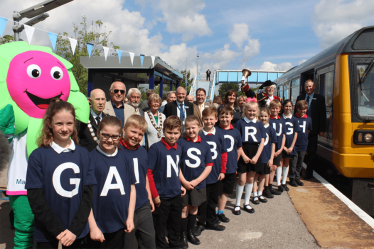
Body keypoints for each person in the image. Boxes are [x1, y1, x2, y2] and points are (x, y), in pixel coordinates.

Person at [26, 99, 96, 248]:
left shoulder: (84, 154)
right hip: (47, 232)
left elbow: (88, 195)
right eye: (59, 124)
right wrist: (57, 230)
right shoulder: (38, 156)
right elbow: (35, 198)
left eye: (69, 123)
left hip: (77, 232)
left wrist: (73, 230)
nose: (65, 129)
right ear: (49, 123)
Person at [86, 116, 136, 248]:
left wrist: (130, 217)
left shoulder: (125, 158)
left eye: (114, 136)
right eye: (105, 135)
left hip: (119, 224)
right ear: (98, 133)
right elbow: (85, 196)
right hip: (98, 226)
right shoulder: (90, 159)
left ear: (121, 135)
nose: (110, 140)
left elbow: (132, 189)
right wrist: (93, 226)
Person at [147, 116, 186, 249]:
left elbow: (176, 168)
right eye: (169, 132)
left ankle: (175, 244)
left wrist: (180, 184)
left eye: (176, 133)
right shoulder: (155, 148)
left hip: (175, 193)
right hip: (161, 195)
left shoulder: (179, 148)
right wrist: (154, 195)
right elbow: (148, 172)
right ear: (163, 131)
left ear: (180, 132)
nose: (172, 136)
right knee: (160, 226)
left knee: (175, 223)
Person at [120, 115, 156, 249]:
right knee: (129, 243)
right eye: (133, 132)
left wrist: (149, 196)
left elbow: (144, 174)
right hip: (125, 206)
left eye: (140, 134)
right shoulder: (116, 150)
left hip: (142, 203)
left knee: (149, 240)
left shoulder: (142, 151)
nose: (136, 136)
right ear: (124, 129)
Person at [178, 115, 213, 248]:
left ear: (199, 127)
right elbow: (176, 165)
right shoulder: (181, 143)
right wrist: (184, 182)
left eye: (193, 128)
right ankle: (183, 235)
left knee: (194, 207)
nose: (191, 131)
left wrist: (197, 181)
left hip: (199, 183)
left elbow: (209, 165)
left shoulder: (204, 144)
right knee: (184, 208)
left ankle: (190, 231)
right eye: (188, 128)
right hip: (183, 183)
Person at [195, 107, 228, 235]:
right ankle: (201, 223)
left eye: (211, 119)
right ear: (202, 120)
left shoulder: (220, 134)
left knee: (213, 199)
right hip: (203, 173)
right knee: (203, 200)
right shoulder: (199, 135)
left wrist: (223, 170)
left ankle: (212, 221)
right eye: (206, 119)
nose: (209, 121)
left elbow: (224, 153)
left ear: (216, 119)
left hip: (215, 172)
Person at [233, 99, 265, 215]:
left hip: (255, 152)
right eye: (249, 110)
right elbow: (237, 141)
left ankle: (246, 203)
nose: (251, 113)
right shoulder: (240, 123)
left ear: (257, 111)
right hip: (243, 151)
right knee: (241, 180)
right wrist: (243, 156)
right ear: (245, 110)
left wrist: (256, 156)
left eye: (254, 111)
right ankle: (237, 203)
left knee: (251, 179)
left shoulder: (259, 123)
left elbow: (262, 141)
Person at [295, 79, 326, 179]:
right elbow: (296, 112)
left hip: (313, 130)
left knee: (312, 152)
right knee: (299, 152)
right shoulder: (300, 97)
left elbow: (322, 114)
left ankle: (309, 173)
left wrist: (322, 129)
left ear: (314, 87)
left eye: (310, 86)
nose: (308, 88)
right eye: (307, 86)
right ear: (304, 87)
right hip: (300, 130)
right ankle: (297, 173)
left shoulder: (320, 98)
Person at [216, 106, 242, 223]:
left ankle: (220, 212)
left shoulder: (236, 132)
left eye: (227, 116)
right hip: (217, 167)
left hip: (230, 166)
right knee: (216, 191)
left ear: (232, 117)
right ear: (218, 118)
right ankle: (212, 212)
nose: (224, 119)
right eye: (222, 116)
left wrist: (235, 162)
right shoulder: (215, 130)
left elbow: (239, 148)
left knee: (225, 191)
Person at [255, 107, 277, 203]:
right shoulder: (256, 128)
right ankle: (255, 194)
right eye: (261, 116)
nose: (263, 118)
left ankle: (260, 192)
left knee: (263, 176)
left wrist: (271, 158)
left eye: (265, 116)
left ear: (269, 117)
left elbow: (273, 144)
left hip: (266, 156)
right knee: (255, 176)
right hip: (257, 156)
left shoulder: (271, 129)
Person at [289, 100, 312, 187]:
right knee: (293, 163)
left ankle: (297, 177)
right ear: (297, 109)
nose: (303, 111)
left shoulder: (309, 119)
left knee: (300, 162)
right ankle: (292, 178)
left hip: (303, 144)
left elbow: (308, 130)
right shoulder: (293, 118)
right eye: (301, 109)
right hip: (294, 144)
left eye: (304, 109)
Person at [279, 100, 300, 192]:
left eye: (290, 106)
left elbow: (296, 134)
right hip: (281, 145)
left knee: (286, 163)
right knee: (280, 163)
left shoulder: (294, 119)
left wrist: (291, 147)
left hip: (290, 145)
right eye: (286, 106)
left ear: (292, 107)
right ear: (283, 107)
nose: (288, 108)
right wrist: (283, 147)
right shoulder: (279, 118)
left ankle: (284, 182)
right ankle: (279, 183)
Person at [268, 100, 285, 196]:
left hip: (278, 148)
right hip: (270, 148)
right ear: (270, 109)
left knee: (274, 168)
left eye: (276, 108)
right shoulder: (268, 120)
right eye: (273, 108)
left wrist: (281, 149)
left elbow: (283, 135)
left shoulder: (281, 120)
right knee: (269, 168)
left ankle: (270, 186)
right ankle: (266, 187)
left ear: (279, 109)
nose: (275, 110)